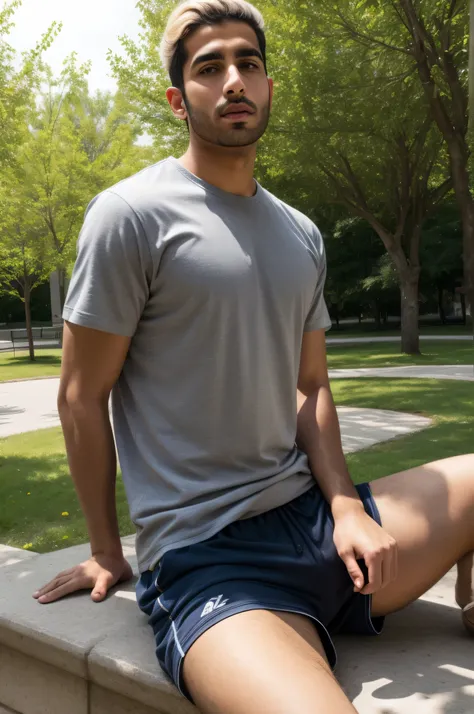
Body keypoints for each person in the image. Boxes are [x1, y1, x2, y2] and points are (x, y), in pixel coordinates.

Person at [34, 1, 473, 711]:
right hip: (211, 561)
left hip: (319, 524)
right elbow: (81, 396)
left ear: (269, 86)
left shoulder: (300, 232)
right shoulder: (129, 215)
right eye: (211, 68)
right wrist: (107, 549)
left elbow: (311, 388)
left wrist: (346, 507)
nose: (234, 79)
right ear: (180, 99)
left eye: (250, 63)